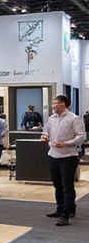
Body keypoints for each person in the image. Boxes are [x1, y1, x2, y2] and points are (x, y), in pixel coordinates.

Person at [41, 94, 86, 226]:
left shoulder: (74, 118)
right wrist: (44, 136)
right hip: (53, 155)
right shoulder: (51, 118)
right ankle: (61, 209)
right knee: (57, 185)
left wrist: (66, 143)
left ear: (62, 104)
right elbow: (45, 131)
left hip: (68, 157)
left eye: (55, 103)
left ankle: (66, 215)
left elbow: (82, 137)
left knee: (67, 186)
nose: (52, 105)